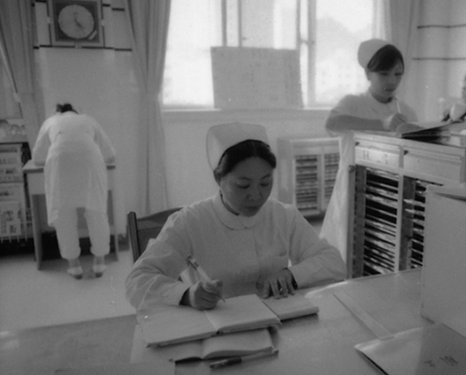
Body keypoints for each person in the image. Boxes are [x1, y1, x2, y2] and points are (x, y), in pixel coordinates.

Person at [125, 122, 345, 311]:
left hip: (280, 320)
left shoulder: (283, 215)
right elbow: (138, 281)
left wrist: (291, 274)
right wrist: (186, 294)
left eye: (266, 183)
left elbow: (334, 264)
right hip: (220, 327)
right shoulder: (190, 221)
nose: (256, 195)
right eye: (243, 185)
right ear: (218, 179)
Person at [321, 39, 418, 263]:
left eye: (398, 74)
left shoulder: (407, 112)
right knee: (348, 251)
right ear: (367, 73)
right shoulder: (352, 102)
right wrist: (382, 123)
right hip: (355, 187)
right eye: (384, 74)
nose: (392, 81)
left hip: (391, 191)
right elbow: (332, 123)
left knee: (381, 254)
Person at [32, 103, 116, 279]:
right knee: (96, 213)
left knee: (63, 216)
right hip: (90, 163)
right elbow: (110, 154)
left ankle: (74, 265)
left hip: (59, 164)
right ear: (75, 112)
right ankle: (99, 262)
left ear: (58, 112)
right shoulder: (88, 120)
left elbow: (38, 158)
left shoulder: (50, 121)